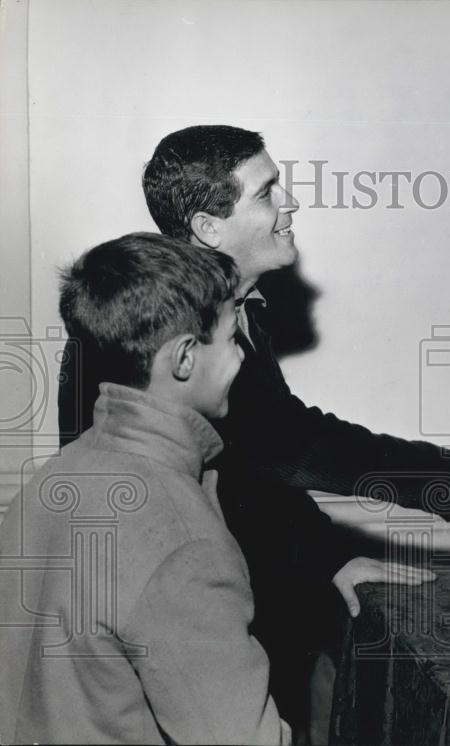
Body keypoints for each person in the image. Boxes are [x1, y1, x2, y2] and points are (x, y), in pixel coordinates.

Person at [57, 125, 450, 738]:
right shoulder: (154, 321)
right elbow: (290, 444)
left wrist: (330, 558)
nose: (291, 204)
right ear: (209, 228)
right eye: (268, 192)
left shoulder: (237, 309)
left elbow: (253, 470)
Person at [0, 234, 301, 742]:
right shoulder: (183, 542)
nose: (242, 358)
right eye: (231, 339)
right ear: (184, 358)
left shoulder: (54, 478)